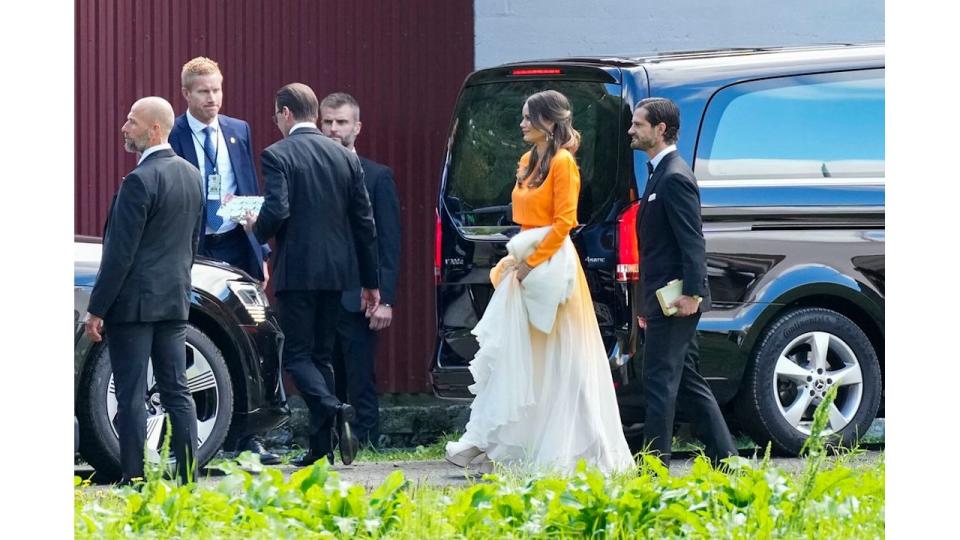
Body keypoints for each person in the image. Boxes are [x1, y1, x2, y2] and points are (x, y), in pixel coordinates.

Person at [445, 90, 634, 474]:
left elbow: (565, 221)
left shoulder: (564, 164)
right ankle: (506, 440)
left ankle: (570, 445)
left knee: (561, 357)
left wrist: (532, 260)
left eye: (528, 117)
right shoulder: (527, 160)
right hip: (525, 260)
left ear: (549, 122)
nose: (522, 124)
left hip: (552, 268)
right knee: (522, 356)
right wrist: (517, 258)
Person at [243, 83, 380, 467]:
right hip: (338, 273)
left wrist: (257, 225)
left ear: (286, 113)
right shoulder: (345, 157)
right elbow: (364, 223)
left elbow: (278, 210)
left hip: (298, 271)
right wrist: (371, 283)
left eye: (275, 115)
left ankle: (334, 407)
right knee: (322, 358)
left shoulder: (277, 154)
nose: (275, 123)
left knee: (298, 358)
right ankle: (321, 449)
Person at [83, 97, 203, 485]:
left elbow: (119, 254)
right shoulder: (191, 175)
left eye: (131, 122)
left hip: (133, 306)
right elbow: (192, 243)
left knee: (131, 394)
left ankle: (133, 477)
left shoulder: (139, 180)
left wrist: (96, 309)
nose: (124, 127)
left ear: (154, 129)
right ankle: (187, 477)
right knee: (177, 391)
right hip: (174, 301)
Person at [168, 56, 279, 465]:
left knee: (249, 335)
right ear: (186, 94)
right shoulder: (175, 133)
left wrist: (260, 249)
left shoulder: (237, 130)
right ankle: (201, 431)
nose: (212, 98)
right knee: (201, 333)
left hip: (235, 242)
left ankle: (248, 439)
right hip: (197, 247)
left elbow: (245, 184)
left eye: (216, 89)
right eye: (203, 91)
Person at [628, 97, 737, 467]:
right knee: (686, 380)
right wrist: (645, 304)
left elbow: (693, 241)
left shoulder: (675, 177)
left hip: (676, 301)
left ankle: (652, 468)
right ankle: (728, 460)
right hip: (661, 301)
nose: (632, 130)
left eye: (638, 124)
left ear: (660, 129)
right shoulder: (660, 173)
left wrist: (693, 293)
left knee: (658, 382)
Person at [321, 92, 401, 448]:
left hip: (361, 296)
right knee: (324, 373)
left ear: (357, 126)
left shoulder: (378, 177)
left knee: (360, 374)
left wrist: (386, 298)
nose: (335, 129)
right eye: (328, 122)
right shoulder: (310, 170)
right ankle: (329, 439)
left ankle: (368, 439)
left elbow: (389, 243)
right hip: (321, 293)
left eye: (341, 122)